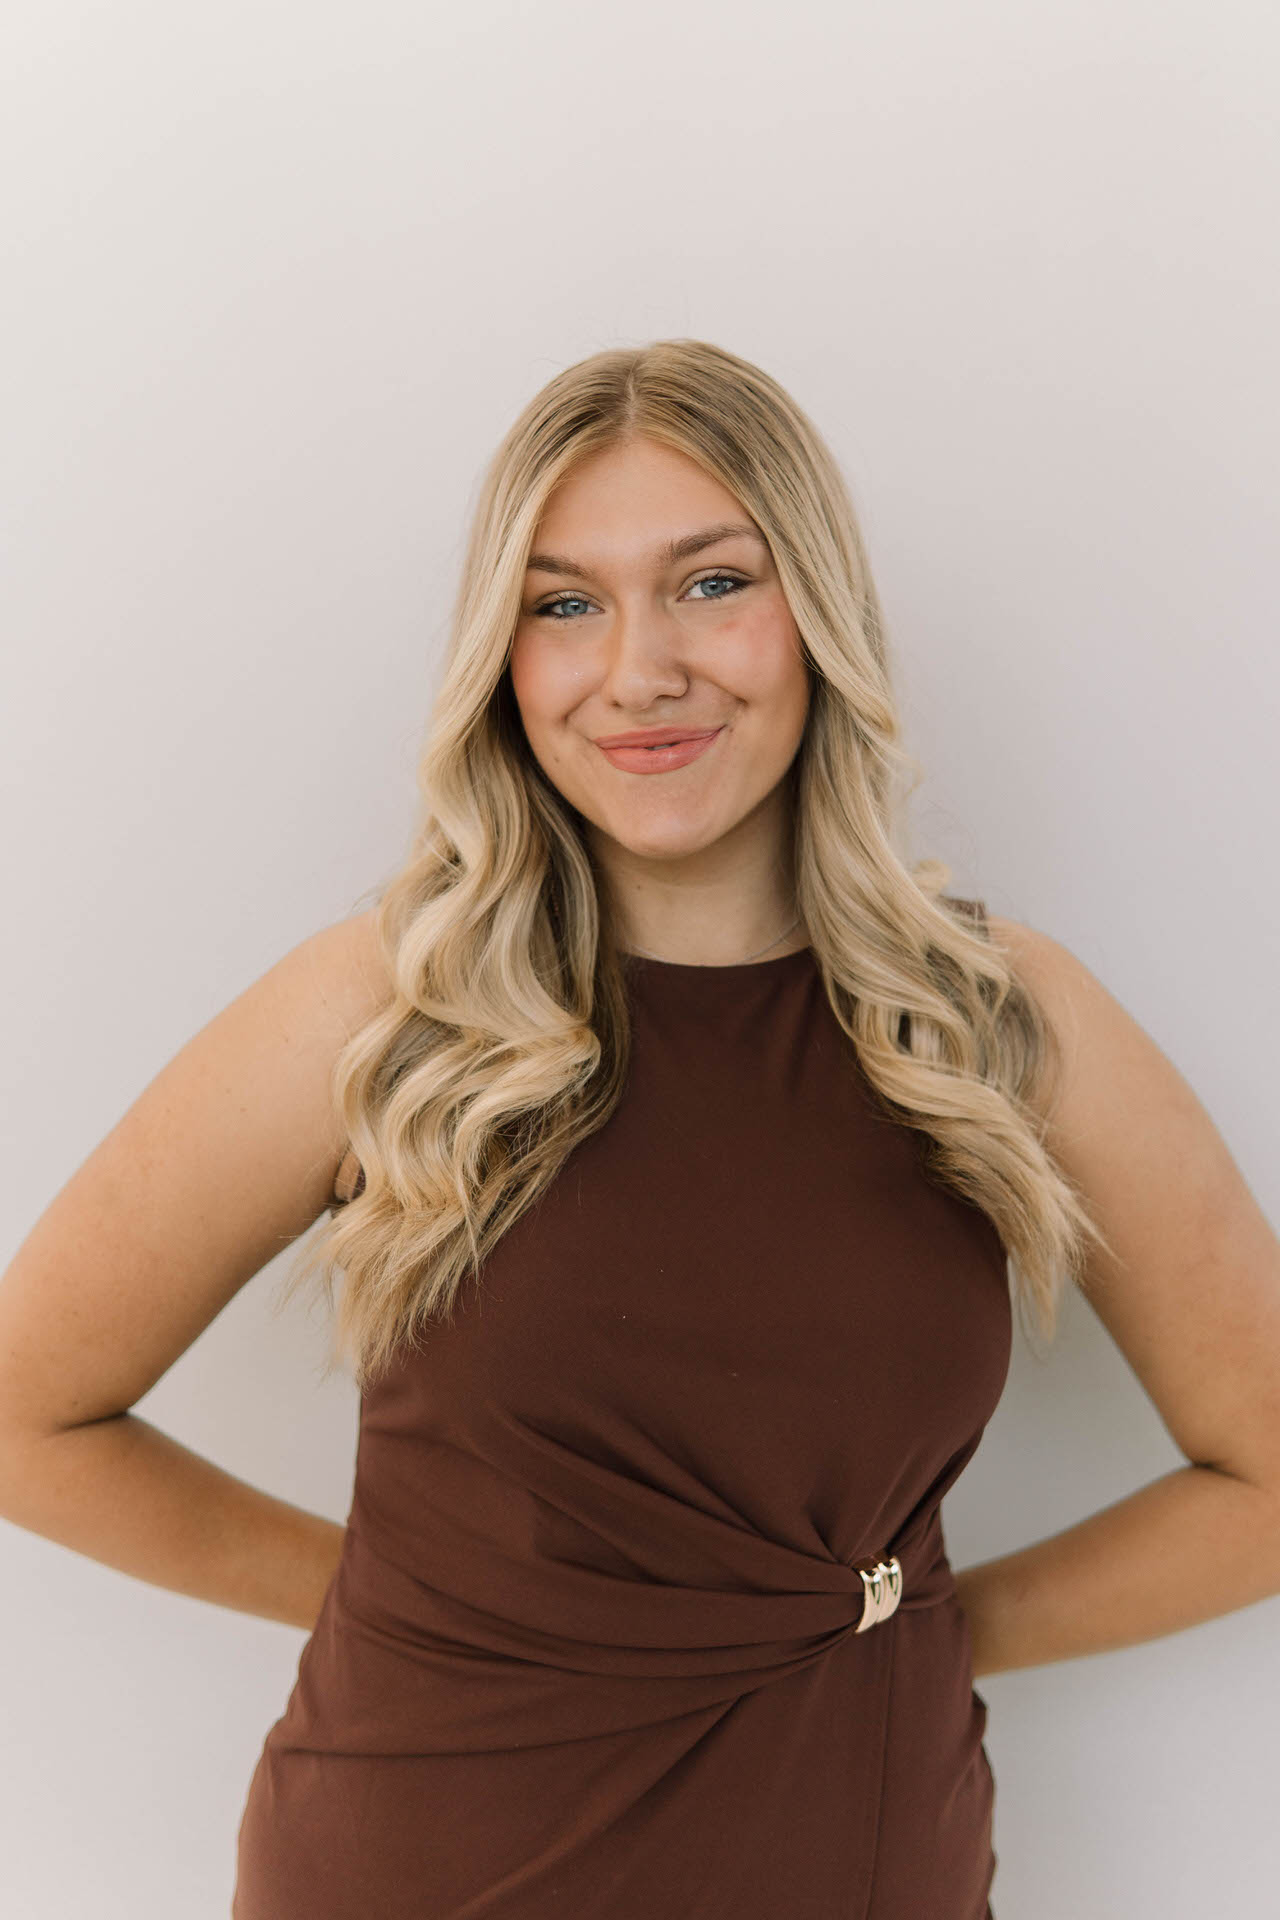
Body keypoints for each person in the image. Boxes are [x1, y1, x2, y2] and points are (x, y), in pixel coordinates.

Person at [2, 339, 1278, 1919]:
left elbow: (1268, 1470)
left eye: (712, 583)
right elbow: (24, 1412)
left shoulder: (1003, 1023)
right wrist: (398, 1596)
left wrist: (909, 1619)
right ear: (505, 658)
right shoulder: (384, 1006)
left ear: (817, 612)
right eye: (564, 602)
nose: (640, 670)